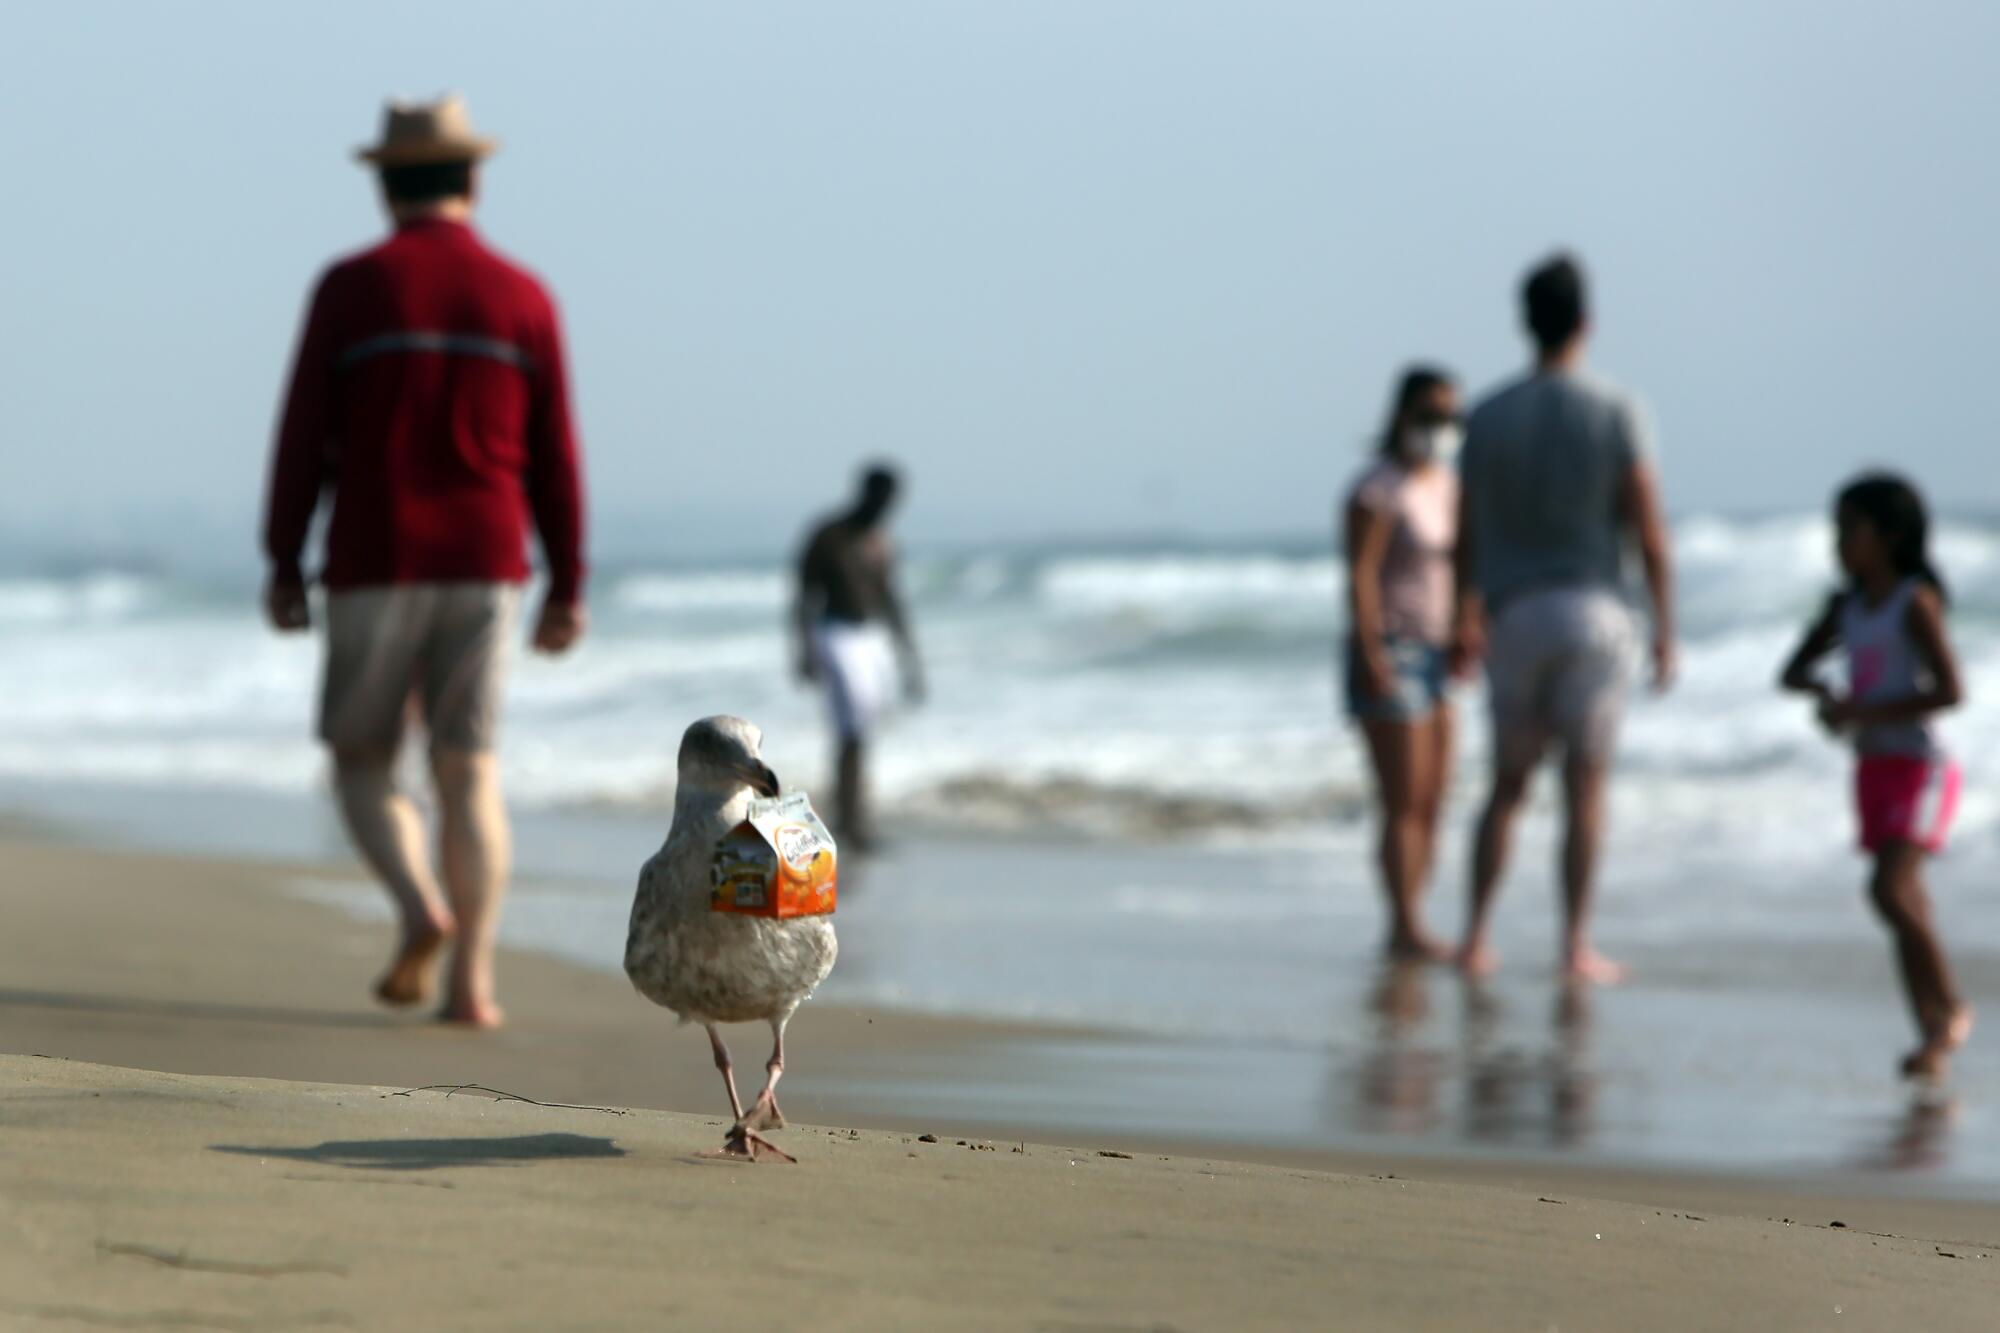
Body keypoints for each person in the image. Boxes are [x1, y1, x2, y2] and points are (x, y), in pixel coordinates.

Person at [260, 96, 587, 1028]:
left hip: (373, 555)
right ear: (472, 181)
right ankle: (474, 986)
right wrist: (570, 581)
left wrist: (284, 559)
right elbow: (556, 453)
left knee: (362, 756)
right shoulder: (523, 294)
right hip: (488, 558)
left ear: (384, 186)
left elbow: (302, 438)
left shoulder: (350, 287)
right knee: (468, 768)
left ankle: (417, 907)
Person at [1451, 254, 1675, 985]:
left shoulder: (1485, 415)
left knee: (1506, 787)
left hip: (1514, 612)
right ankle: (1575, 944)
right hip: (1595, 609)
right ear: (1586, 321)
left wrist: (1465, 613)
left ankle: (1476, 934)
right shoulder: (1616, 408)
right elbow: (1647, 529)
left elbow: (1466, 533)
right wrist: (1667, 626)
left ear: (1525, 322)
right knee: (1585, 787)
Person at [1779, 474, 1971, 1079]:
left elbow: (1950, 690)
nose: (1839, 541)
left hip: (1921, 766)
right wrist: (1826, 695)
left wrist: (1864, 710)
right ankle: (1931, 1039)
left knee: (1889, 891)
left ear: (1889, 535)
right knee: (1903, 904)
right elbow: (1793, 671)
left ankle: (1951, 1007)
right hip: (1871, 767)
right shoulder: (1849, 606)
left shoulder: (1914, 601)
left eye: (1850, 529)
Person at [1342, 366, 1462, 960]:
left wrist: (1472, 625)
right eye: (1431, 417)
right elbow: (1361, 575)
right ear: (1402, 416)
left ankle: (1414, 917)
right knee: (1403, 801)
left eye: (1451, 418)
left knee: (1435, 799)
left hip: (1439, 650)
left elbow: (1461, 568)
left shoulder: (1445, 484)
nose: (1442, 429)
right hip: (1392, 649)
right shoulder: (1377, 488)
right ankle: (1403, 923)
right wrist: (1369, 650)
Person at [793, 465, 924, 849]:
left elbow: (891, 598)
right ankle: (849, 821)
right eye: (880, 499)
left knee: (864, 727)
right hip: (835, 632)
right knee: (850, 725)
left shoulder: (880, 542)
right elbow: (803, 595)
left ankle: (852, 816)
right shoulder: (829, 535)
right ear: (864, 493)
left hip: (873, 638)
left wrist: (909, 655)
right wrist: (804, 649)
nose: (885, 507)